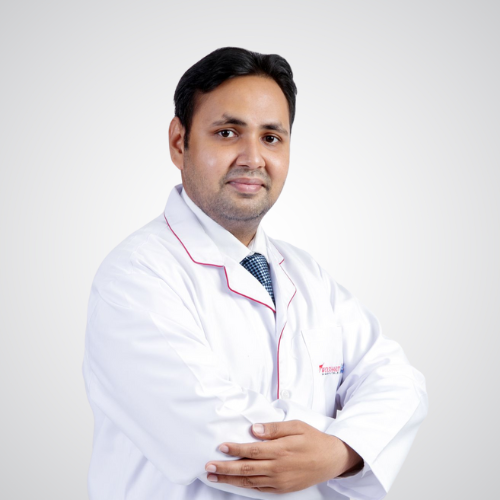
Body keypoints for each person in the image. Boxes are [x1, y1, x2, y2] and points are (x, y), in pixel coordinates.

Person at [82, 47, 428, 500]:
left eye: (271, 137)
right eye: (227, 133)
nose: (253, 158)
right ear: (179, 142)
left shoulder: (307, 276)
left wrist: (340, 451)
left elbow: (399, 383)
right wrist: (358, 443)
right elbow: (220, 442)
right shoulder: (135, 278)